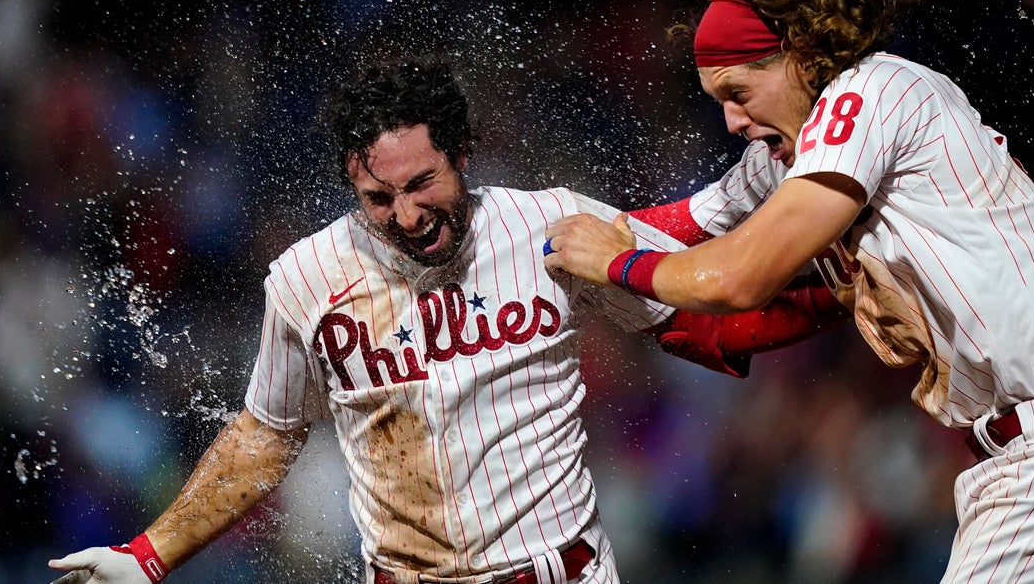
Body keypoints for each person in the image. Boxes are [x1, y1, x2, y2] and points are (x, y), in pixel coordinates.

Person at [46, 56, 840, 584]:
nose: (407, 213)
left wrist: (847, 296)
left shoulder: (551, 225)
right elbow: (267, 433)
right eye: (379, 199)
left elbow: (708, 321)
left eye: (422, 182)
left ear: (461, 150)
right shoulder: (305, 278)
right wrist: (151, 555)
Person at [543, 0, 1034, 581]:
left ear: (800, 52)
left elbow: (735, 275)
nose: (731, 120)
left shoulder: (872, 93)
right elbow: (688, 227)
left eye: (739, 91)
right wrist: (548, 238)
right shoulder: (805, 152)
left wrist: (618, 261)